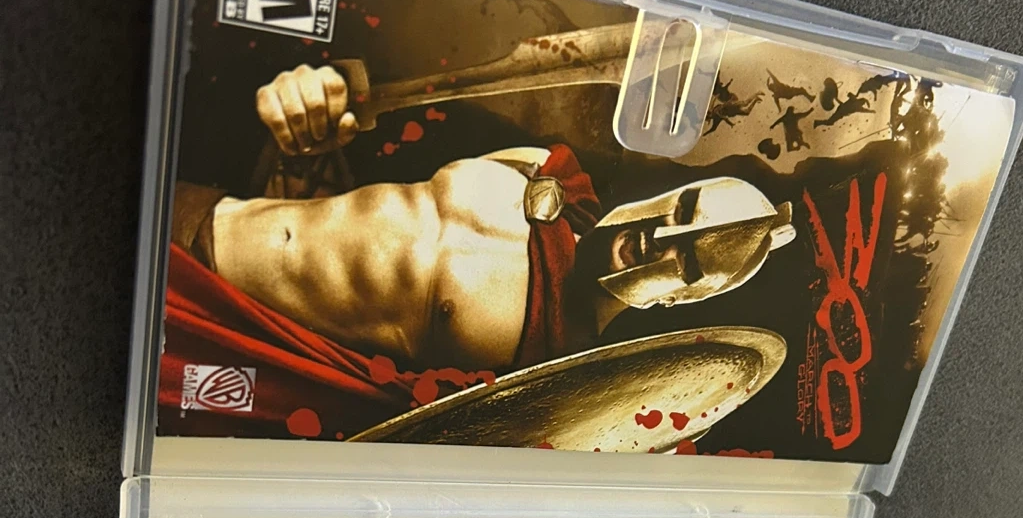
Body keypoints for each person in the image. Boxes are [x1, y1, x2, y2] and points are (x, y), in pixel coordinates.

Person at [163, 63, 794, 437]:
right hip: (208, 213)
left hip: (212, 326)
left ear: (679, 299)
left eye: (688, 261)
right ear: (671, 191)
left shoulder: (547, 372)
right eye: (683, 212)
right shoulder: (546, 168)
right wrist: (307, 124)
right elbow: (345, 197)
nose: (662, 239)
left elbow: (366, 397)